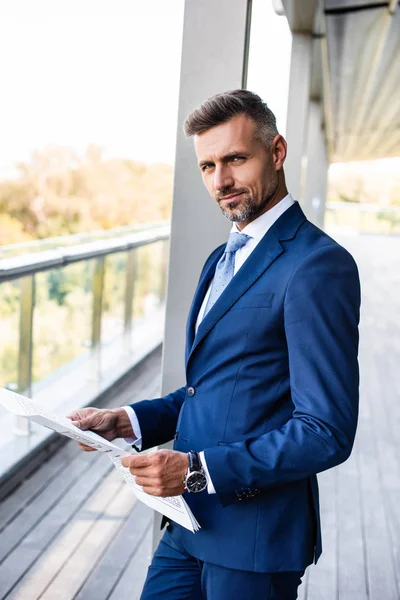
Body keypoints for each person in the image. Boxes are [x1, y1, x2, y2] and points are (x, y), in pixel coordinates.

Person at [68, 90, 361, 600]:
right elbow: (218, 389)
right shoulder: (220, 259)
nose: (221, 181)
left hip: (253, 543)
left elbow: (325, 431)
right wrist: (130, 421)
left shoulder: (317, 266)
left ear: (277, 152)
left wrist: (196, 472)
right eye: (207, 166)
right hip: (188, 527)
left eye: (235, 159)